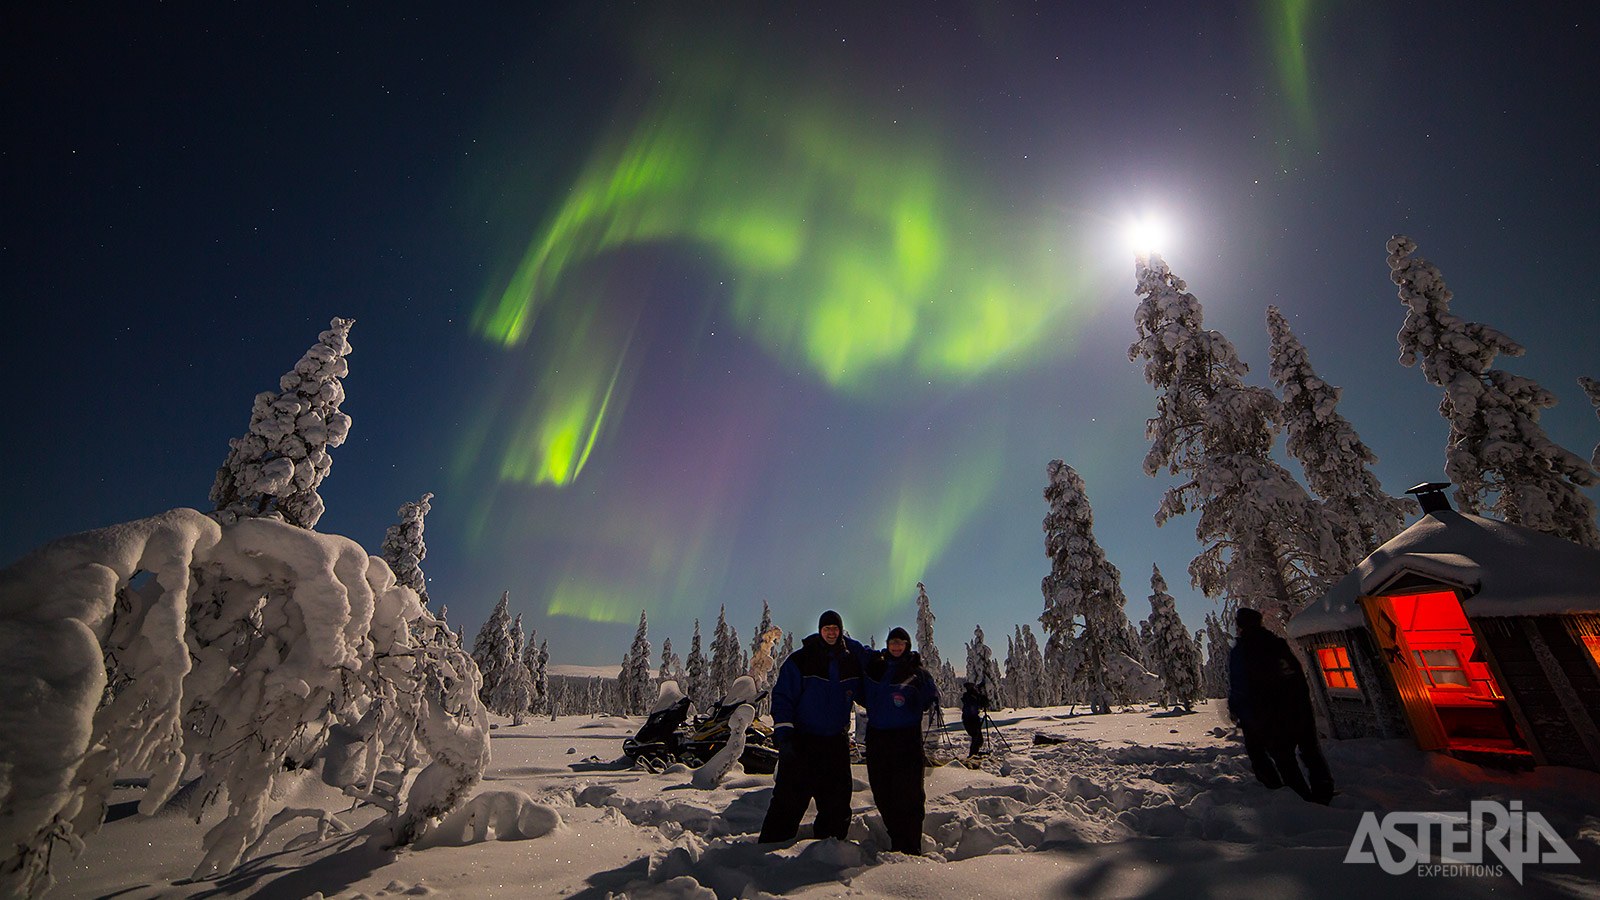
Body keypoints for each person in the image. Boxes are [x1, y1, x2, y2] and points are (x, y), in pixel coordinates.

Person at [759, 609, 867, 842]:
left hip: (835, 744)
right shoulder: (801, 660)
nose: (831, 633)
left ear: (841, 632)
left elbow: (869, 690)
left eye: (835, 629)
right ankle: (766, 855)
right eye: (827, 629)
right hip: (803, 743)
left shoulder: (850, 662)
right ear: (820, 631)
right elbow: (783, 697)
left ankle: (828, 853)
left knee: (837, 805)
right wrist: (785, 735)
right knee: (788, 803)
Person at [1228, 607, 1335, 804]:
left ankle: (1298, 797)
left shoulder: (1242, 651)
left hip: (1270, 716)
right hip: (1298, 708)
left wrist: (1239, 710)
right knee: (1310, 752)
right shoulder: (1277, 644)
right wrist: (1303, 703)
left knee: (1283, 758)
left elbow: (1239, 685)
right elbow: (1296, 675)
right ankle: (1323, 791)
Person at [860, 626, 939, 854]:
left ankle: (911, 845)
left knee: (911, 794)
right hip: (878, 739)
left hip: (907, 739)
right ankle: (897, 838)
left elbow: (929, 697)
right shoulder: (877, 667)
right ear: (887, 644)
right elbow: (858, 653)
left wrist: (931, 698)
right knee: (883, 791)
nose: (896, 646)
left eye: (900, 643)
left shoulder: (917, 672)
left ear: (907, 646)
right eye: (892, 642)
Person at [960, 681, 988, 757]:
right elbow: (973, 701)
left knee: (978, 739)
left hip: (973, 719)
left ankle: (974, 754)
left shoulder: (972, 695)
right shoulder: (969, 696)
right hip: (969, 719)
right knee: (976, 737)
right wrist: (980, 696)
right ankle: (972, 755)